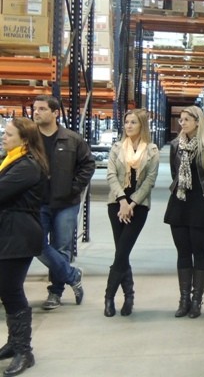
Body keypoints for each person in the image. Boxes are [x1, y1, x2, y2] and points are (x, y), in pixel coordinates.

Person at [32, 95, 95, 311]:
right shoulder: (30, 140)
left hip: (66, 203)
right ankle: (72, 275)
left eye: (42, 109)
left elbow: (88, 164)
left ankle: (55, 293)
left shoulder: (71, 139)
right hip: (38, 202)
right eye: (35, 108)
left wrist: (74, 188)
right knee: (35, 244)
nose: (36, 112)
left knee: (62, 247)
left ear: (55, 113)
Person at [164, 106, 204, 319]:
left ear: (198, 122)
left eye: (187, 119)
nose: (182, 123)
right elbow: (174, 173)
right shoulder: (175, 146)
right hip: (179, 204)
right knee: (183, 252)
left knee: (200, 251)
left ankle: (197, 299)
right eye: (181, 120)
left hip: (201, 206)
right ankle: (184, 300)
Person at [0, 118, 48, 376]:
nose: (4, 137)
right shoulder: (11, 161)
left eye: (9, 134)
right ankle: (14, 342)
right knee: (6, 289)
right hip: (8, 233)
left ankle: (24, 351)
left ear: (25, 140)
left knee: (11, 289)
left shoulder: (27, 166)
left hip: (19, 235)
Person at [104, 109, 160, 317]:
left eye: (133, 122)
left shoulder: (152, 150)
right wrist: (122, 201)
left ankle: (109, 297)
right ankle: (128, 296)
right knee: (122, 252)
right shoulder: (117, 148)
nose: (128, 126)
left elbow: (150, 180)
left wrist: (132, 203)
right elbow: (111, 175)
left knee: (122, 251)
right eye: (126, 122)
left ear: (142, 125)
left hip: (139, 206)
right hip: (116, 205)